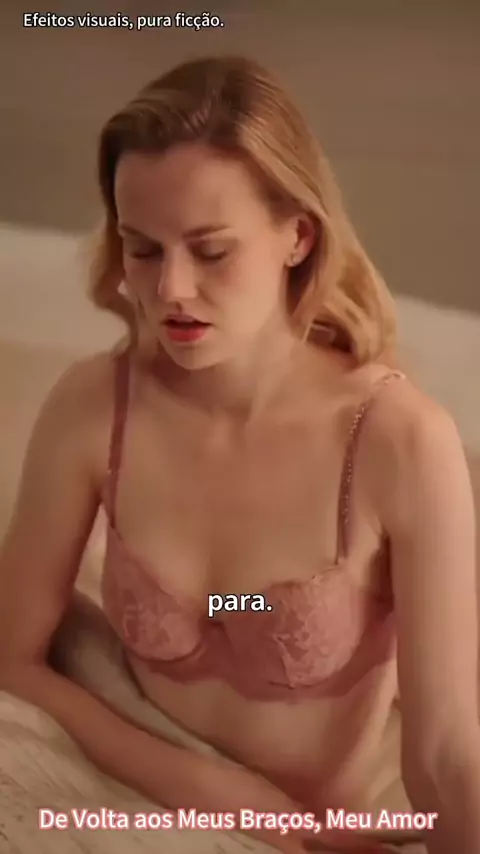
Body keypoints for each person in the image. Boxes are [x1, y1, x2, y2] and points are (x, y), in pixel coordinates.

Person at [0, 54, 478, 854]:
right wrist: (210, 791)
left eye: (212, 251)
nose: (171, 290)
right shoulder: (93, 406)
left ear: (298, 236)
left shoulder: (398, 443)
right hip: (123, 785)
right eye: (143, 250)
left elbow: (445, 756)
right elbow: (12, 659)